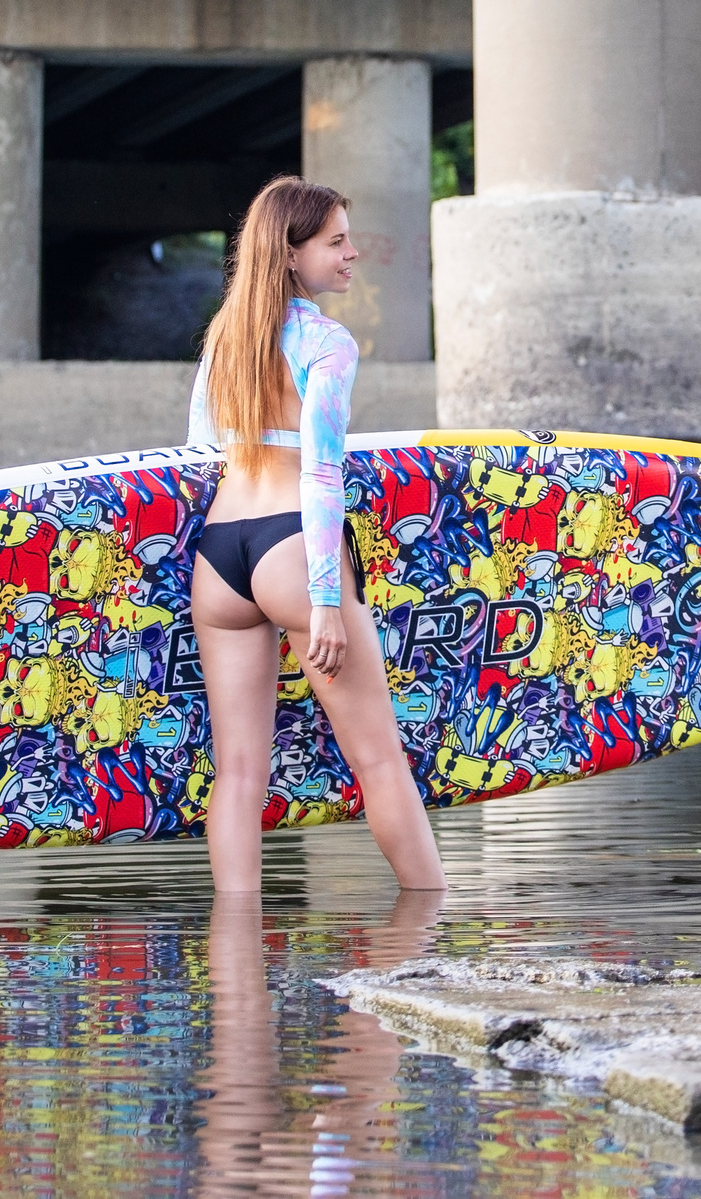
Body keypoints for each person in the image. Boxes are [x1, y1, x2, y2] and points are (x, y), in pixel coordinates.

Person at [187, 175, 445, 895]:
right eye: (336, 242)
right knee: (379, 761)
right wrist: (326, 601)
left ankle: (235, 965)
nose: (353, 253)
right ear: (292, 254)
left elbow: (195, 457)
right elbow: (322, 473)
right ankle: (431, 927)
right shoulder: (326, 342)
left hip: (221, 556)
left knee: (238, 773)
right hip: (292, 550)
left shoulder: (222, 342)